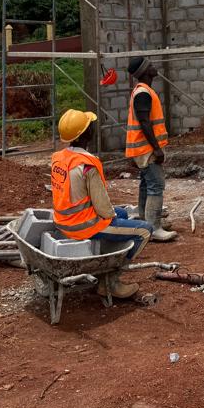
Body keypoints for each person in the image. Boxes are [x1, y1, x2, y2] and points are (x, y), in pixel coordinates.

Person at [52, 109, 152, 299]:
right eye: (90, 126)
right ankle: (110, 281)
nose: (93, 128)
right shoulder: (87, 164)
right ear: (85, 134)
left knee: (122, 214)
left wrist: (116, 216)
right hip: (83, 226)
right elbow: (104, 208)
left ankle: (105, 263)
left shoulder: (59, 158)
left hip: (63, 221)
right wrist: (111, 218)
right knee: (145, 230)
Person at [126, 57, 177, 241]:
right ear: (145, 71)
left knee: (146, 184)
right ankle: (153, 228)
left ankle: (144, 222)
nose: (154, 67)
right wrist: (156, 149)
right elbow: (144, 122)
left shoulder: (143, 91)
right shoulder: (143, 93)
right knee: (156, 185)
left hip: (142, 148)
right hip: (146, 149)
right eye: (150, 65)